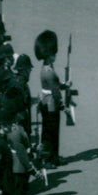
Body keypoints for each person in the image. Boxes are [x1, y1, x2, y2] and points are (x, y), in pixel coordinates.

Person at [34, 30, 64, 169]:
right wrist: (63, 105)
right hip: (51, 103)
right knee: (50, 133)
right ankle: (48, 159)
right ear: (49, 55)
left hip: (48, 102)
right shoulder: (49, 72)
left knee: (51, 131)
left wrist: (64, 85)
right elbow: (55, 91)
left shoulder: (47, 68)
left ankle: (53, 156)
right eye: (53, 54)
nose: (55, 56)